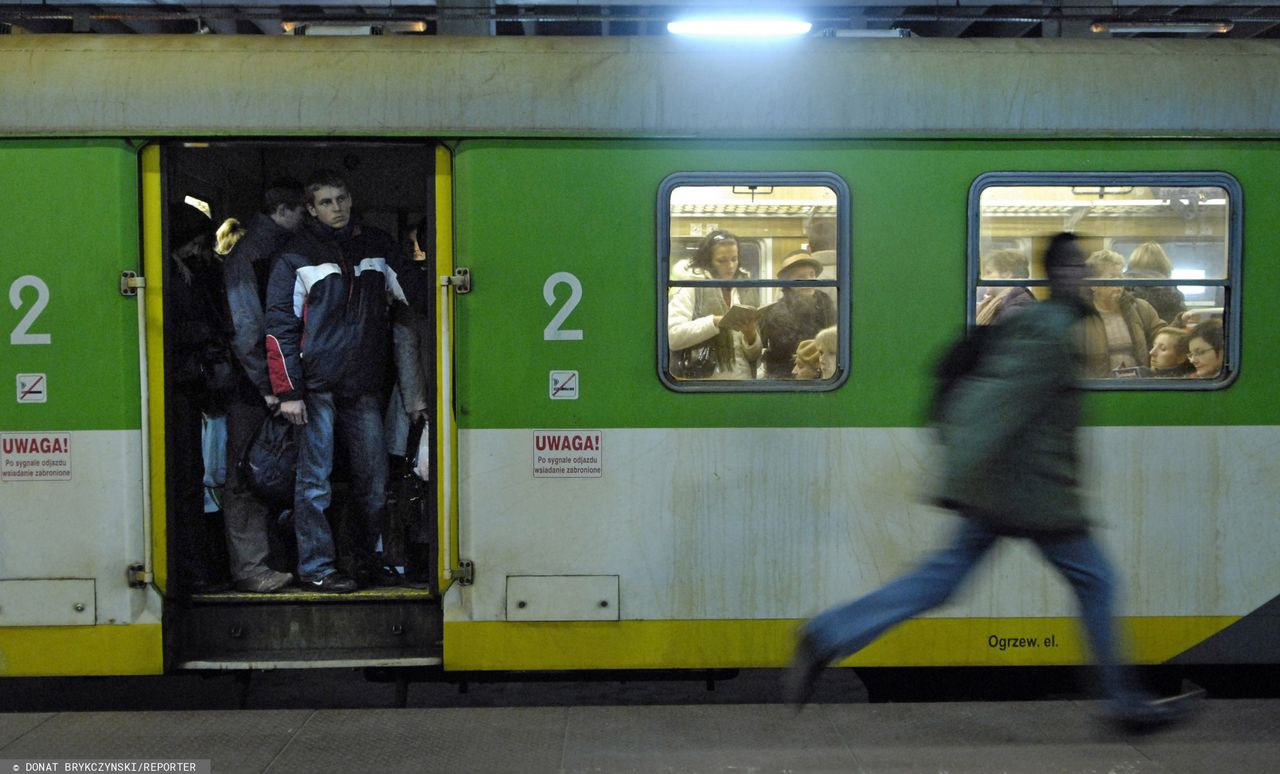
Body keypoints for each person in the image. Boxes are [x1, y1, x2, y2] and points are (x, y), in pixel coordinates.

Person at [785, 233, 1194, 731]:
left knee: (941, 581)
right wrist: (957, 477)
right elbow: (996, 408)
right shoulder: (1047, 330)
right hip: (1030, 493)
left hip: (1012, 487)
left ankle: (827, 633)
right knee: (1097, 582)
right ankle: (1123, 704)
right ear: (1061, 273)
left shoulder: (1053, 324)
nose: (1086, 277)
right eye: (1078, 268)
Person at [265, 169, 420, 592]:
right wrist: (288, 392)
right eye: (327, 202)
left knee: (373, 485)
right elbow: (279, 327)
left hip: (365, 384)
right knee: (314, 486)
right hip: (315, 389)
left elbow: (417, 296)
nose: (338, 208)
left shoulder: (377, 247)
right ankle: (317, 567)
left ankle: (361, 560)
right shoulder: (295, 256)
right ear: (312, 208)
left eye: (343, 198)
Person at [216, 181, 306, 593]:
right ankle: (252, 568)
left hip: (267, 383)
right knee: (250, 476)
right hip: (258, 388)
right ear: (284, 210)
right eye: (302, 208)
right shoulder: (257, 254)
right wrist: (272, 387)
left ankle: (266, 563)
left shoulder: (254, 251)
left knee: (262, 473)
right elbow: (247, 328)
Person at [667, 230, 761, 380]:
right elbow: (673, 336)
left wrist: (751, 335)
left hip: (743, 381)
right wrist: (715, 322)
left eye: (734, 259)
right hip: (704, 383)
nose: (730, 266)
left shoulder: (745, 291)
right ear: (708, 261)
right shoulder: (692, 288)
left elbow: (754, 356)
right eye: (722, 261)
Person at [1080, 249, 1164, 378]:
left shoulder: (1141, 308)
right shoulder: (1081, 315)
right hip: (1100, 389)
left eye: (1121, 277)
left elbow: (1163, 335)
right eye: (1112, 278)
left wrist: (1181, 322)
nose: (1118, 283)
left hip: (1140, 385)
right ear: (1093, 284)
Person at [757, 251, 836, 378]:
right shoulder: (776, 313)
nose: (809, 280)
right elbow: (781, 355)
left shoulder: (825, 303)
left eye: (812, 275)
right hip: (786, 376)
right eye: (801, 276)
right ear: (788, 283)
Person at [1125, 242, 1186, 326]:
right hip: (1167, 335)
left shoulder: (1123, 284)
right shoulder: (1171, 289)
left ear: (1133, 262)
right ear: (1164, 263)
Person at [976, 249, 1036, 326]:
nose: (984, 278)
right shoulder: (997, 305)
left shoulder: (1015, 310)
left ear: (1007, 275)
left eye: (988, 272)